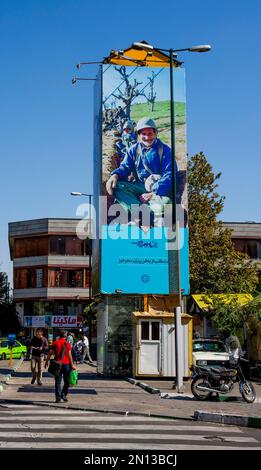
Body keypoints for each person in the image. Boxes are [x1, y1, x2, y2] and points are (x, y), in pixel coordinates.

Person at [106, 117, 177, 224]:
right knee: (118, 187)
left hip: (158, 190)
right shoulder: (133, 150)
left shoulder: (165, 150)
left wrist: (153, 193)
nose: (147, 137)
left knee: (166, 203)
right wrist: (115, 175)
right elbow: (125, 167)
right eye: (144, 134)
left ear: (155, 133)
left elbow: (170, 174)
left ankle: (135, 211)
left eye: (150, 133)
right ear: (138, 135)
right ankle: (143, 213)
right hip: (139, 187)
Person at [45, 330, 76, 403]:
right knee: (67, 381)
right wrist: (72, 365)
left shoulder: (55, 343)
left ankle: (58, 398)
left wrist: (47, 361)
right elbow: (69, 355)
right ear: (65, 336)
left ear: (59, 336)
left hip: (57, 365)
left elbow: (50, 353)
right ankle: (63, 394)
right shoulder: (67, 344)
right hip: (66, 365)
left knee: (57, 382)